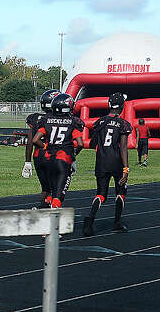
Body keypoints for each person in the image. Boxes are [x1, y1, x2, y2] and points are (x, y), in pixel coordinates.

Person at [82, 95, 130, 235]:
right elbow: (123, 147)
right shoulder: (123, 124)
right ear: (122, 106)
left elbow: (92, 143)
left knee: (101, 194)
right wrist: (126, 169)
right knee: (120, 192)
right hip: (116, 161)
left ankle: (90, 219)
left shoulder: (100, 122)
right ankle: (116, 223)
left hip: (101, 162)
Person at [35, 92, 83, 207]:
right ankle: (53, 214)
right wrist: (74, 153)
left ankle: (43, 209)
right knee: (58, 196)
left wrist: (45, 146)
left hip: (49, 159)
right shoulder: (73, 122)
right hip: (63, 159)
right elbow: (80, 144)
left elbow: (35, 140)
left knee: (51, 191)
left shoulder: (46, 119)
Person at [24, 89, 58, 208]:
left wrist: (27, 162)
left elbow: (30, 141)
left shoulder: (35, 118)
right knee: (56, 187)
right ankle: (48, 209)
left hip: (38, 156)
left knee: (45, 188)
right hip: (53, 155)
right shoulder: (60, 119)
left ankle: (43, 209)